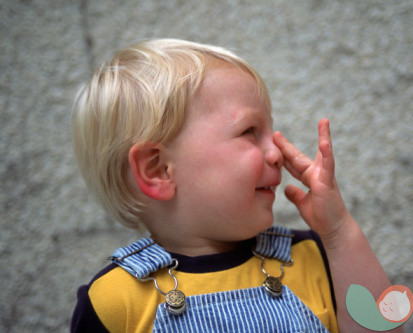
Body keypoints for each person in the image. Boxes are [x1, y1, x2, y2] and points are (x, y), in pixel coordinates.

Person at [71, 39, 396, 332]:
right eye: (249, 131)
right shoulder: (114, 302)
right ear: (159, 170)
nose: (278, 153)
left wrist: (338, 232)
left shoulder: (312, 256)